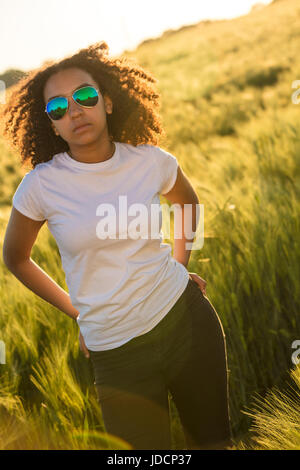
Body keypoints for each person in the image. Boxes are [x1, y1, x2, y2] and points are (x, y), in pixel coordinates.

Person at [1, 41, 233, 450]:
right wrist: (78, 312)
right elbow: (16, 258)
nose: (74, 111)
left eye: (85, 96)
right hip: (116, 352)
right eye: (57, 107)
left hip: (187, 323)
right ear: (51, 124)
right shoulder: (41, 185)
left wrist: (180, 265)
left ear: (107, 102)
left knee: (212, 443)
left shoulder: (149, 160)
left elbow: (187, 202)